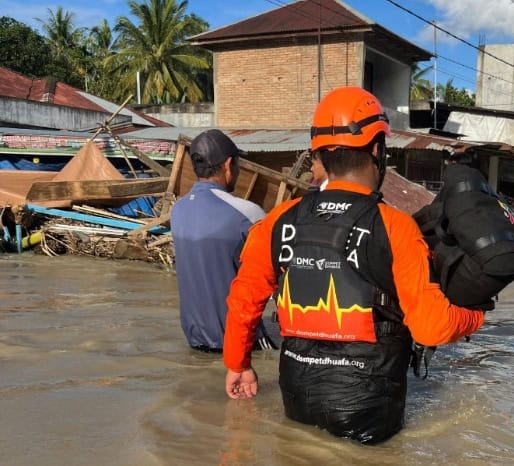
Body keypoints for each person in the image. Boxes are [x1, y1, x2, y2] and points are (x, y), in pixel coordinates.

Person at [222, 87, 485, 444]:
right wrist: (476, 313)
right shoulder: (395, 227)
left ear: (319, 154)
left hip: (296, 395)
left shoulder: (278, 220)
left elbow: (244, 300)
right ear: (378, 149)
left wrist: (238, 365)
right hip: (367, 406)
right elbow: (432, 328)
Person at [171, 129, 274, 353]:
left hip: (194, 338)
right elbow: (278, 275)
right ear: (228, 165)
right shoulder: (248, 213)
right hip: (240, 341)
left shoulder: (177, 210)